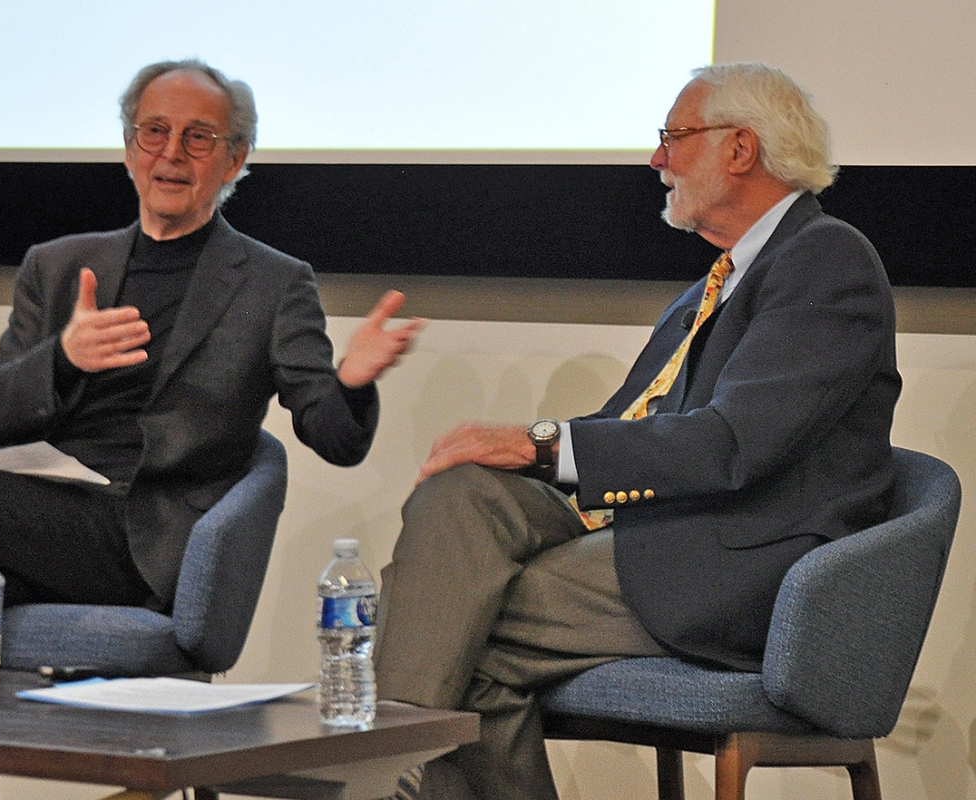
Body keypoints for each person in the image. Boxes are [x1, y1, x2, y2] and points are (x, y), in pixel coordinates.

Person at [0, 59, 423, 800]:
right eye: (153, 131)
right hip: (44, 511)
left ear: (235, 160)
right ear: (127, 146)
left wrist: (351, 382)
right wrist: (63, 359)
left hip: (143, 538)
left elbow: (332, 438)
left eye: (197, 137)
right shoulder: (59, 267)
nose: (170, 153)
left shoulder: (276, 283)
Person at [373, 61, 900, 800]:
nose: (657, 159)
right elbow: (635, 425)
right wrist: (526, 447)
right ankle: (388, 764)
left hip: (739, 565)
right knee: (463, 493)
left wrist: (542, 442)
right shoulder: (711, 288)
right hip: (659, 533)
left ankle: (375, 769)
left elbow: (731, 443)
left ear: (740, 149)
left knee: (463, 631)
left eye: (674, 137)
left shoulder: (827, 260)